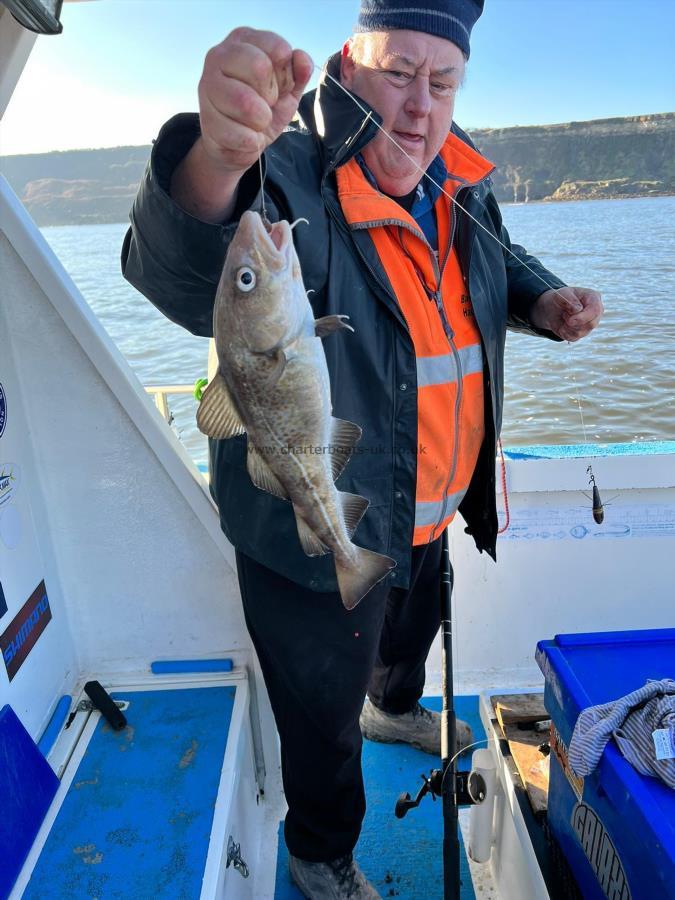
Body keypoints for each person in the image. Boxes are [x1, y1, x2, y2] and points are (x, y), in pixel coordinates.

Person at [122, 1, 604, 896]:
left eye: (443, 81)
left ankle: (393, 707)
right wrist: (219, 158)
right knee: (319, 719)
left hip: (430, 497)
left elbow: (494, 256)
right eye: (398, 73)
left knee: (404, 631)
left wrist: (541, 301)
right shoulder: (285, 176)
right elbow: (186, 273)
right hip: (307, 523)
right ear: (349, 62)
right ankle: (319, 853)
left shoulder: (459, 176)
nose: (421, 105)